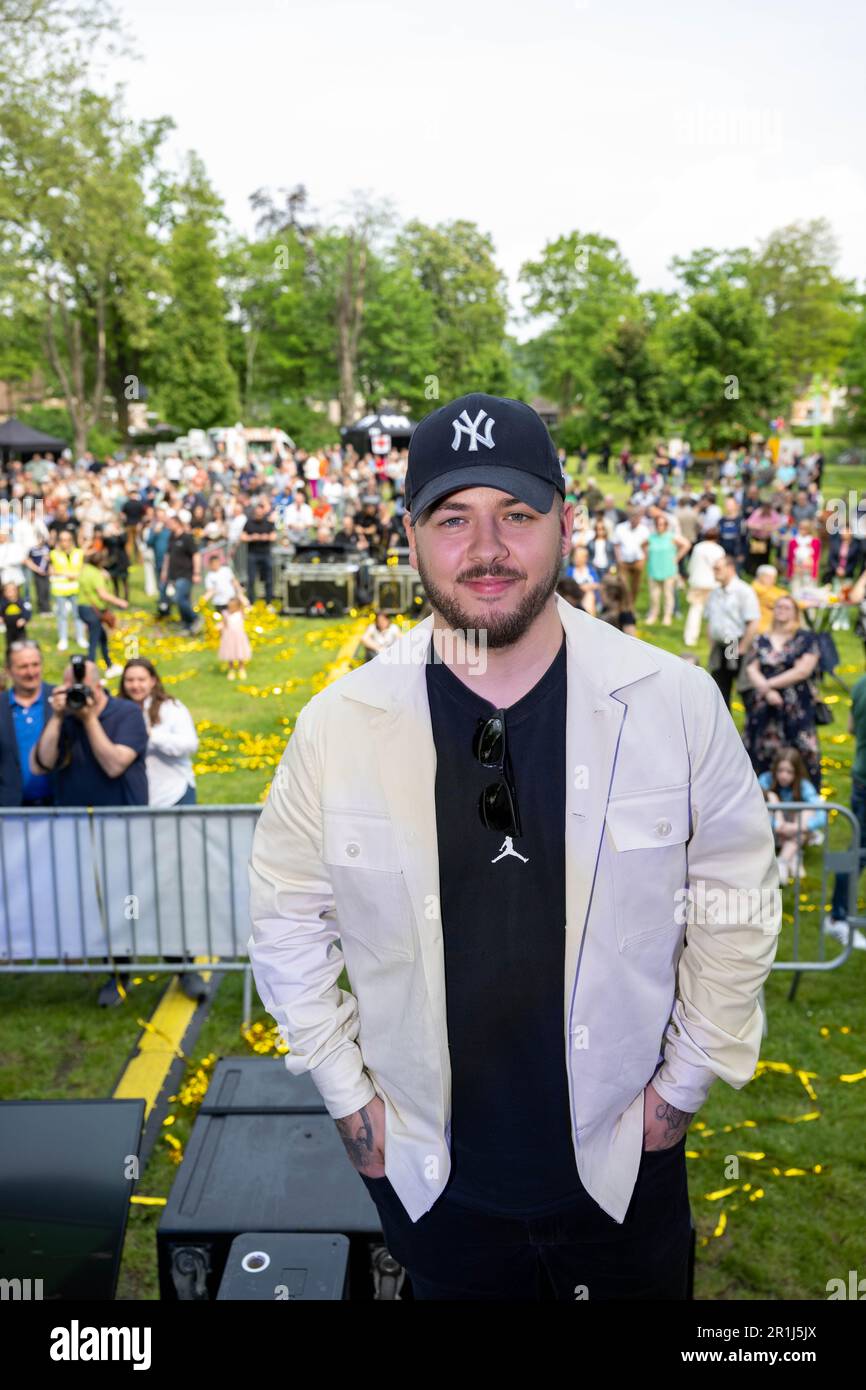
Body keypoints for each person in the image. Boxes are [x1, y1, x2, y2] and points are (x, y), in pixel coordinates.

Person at [248, 391, 779, 1302]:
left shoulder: (674, 701)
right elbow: (287, 919)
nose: (486, 549)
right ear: (410, 534)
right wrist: (351, 1102)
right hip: (431, 1176)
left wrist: (681, 1089)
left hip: (623, 1169)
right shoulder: (340, 724)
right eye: (453, 518)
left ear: (563, 525)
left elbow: (736, 896)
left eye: (516, 515)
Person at [30, 658, 149, 1007]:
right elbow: (41, 765)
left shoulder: (126, 714)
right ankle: (117, 974)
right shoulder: (62, 718)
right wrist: (56, 717)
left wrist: (89, 720)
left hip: (125, 828)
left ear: (98, 687)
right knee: (101, 907)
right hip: (78, 832)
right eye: (68, 689)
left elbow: (114, 764)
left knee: (139, 902)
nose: (76, 696)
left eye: (81, 689)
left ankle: (180, 966)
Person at [118, 657, 208, 1001]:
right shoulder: (119, 711)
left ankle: (185, 965)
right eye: (130, 680)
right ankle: (121, 967)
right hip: (137, 807)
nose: (136, 686)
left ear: (153, 680)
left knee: (176, 887)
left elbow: (189, 744)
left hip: (173, 800)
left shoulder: (171, 708)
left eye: (141, 679)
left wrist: (150, 735)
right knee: (135, 888)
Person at [742, 594, 822, 788]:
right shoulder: (761, 639)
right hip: (764, 705)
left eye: (787, 608)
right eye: (778, 607)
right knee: (760, 749)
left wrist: (769, 685)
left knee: (803, 750)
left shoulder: (805, 638)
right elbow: (751, 667)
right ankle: (763, 797)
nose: (782, 611)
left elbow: (802, 670)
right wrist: (766, 691)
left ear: (795, 613)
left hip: (796, 705)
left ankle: (804, 799)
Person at [824, 670, 866, 949]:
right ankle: (838, 916)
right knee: (857, 852)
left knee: (857, 848)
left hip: (860, 777)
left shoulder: (861, 682)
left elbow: (850, 727)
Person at [758, 748, 827, 886]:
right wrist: (778, 825)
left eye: (789, 772)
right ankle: (793, 856)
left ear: (796, 772)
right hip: (772, 829)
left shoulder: (803, 785)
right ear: (774, 769)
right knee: (771, 799)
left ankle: (782, 861)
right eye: (780, 770)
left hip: (794, 829)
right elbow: (756, 811)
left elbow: (821, 813)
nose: (784, 776)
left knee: (807, 811)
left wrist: (798, 826)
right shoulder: (765, 780)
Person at [0, 640, 54, 806]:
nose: (31, 672)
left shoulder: (60, 701)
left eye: (35, 664)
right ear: (9, 670)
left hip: (58, 809)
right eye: (23, 667)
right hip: (10, 811)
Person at [704, 554, 760, 708]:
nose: (714, 572)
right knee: (720, 689)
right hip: (720, 645)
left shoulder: (743, 591)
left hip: (734, 643)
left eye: (718, 568)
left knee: (743, 686)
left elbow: (753, 621)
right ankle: (724, 729)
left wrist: (742, 648)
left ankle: (751, 727)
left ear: (730, 568)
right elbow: (710, 620)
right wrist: (712, 644)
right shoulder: (715, 593)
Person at [76, 548, 127, 677]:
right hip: (92, 610)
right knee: (93, 643)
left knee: (102, 638)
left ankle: (109, 665)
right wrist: (119, 601)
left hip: (83, 608)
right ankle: (89, 674)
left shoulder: (85, 569)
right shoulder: (95, 574)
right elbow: (103, 594)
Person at [642, 515, 690, 626]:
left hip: (669, 570)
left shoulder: (671, 537)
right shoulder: (651, 537)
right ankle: (653, 614)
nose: (660, 526)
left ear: (666, 526)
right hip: (654, 569)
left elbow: (686, 544)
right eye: (658, 524)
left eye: (662, 524)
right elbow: (642, 545)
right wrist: (647, 556)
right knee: (654, 595)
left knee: (668, 595)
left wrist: (677, 557)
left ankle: (667, 616)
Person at [162, 510, 202, 635]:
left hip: (185, 574)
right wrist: (164, 571)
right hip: (173, 575)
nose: (168, 525)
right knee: (179, 600)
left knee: (179, 598)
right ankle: (187, 624)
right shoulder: (171, 537)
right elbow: (168, 556)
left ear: (177, 523)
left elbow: (196, 555)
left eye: (170, 523)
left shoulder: (187, 538)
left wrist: (196, 573)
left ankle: (195, 618)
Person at [683, 527, 725, 648]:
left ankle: (690, 638)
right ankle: (716, 638)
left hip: (698, 582)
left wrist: (690, 576)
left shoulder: (698, 547)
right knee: (714, 612)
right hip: (713, 583)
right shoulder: (719, 550)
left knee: (695, 609)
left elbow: (692, 564)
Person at [49, 528, 87, 651]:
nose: (65, 542)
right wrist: (68, 574)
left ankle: (80, 637)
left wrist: (75, 574)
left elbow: (82, 568)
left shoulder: (78, 552)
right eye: (62, 540)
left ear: (71, 541)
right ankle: (63, 638)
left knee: (78, 614)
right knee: (62, 615)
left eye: (67, 540)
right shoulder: (54, 553)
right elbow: (52, 571)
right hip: (60, 589)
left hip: (76, 588)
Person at [243, 499, 278, 606]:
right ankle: (251, 602)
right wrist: (252, 537)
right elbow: (243, 536)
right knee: (251, 579)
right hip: (252, 554)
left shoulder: (268, 523)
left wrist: (264, 537)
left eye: (260, 511)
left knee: (268, 579)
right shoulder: (249, 523)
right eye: (256, 511)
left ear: (263, 512)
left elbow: (273, 536)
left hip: (265, 554)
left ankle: (268, 602)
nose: (258, 513)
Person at [218, 593, 252, 680]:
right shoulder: (225, 614)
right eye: (229, 607)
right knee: (230, 654)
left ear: (237, 607)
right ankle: (231, 669)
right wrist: (220, 629)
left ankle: (241, 669)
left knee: (240, 653)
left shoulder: (241, 613)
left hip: (239, 638)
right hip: (229, 638)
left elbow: (247, 606)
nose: (231, 609)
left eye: (233, 607)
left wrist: (241, 596)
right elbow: (224, 624)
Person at [752, 564, 788, 634]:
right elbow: (783, 600)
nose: (773, 580)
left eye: (774, 578)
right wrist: (807, 603)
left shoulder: (769, 588)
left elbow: (783, 594)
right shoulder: (757, 589)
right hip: (761, 629)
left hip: (771, 627)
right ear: (760, 577)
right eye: (769, 577)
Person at [1, 582, 32, 660]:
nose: (9, 593)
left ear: (17, 591)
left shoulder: (21, 602)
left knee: (22, 645)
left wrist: (24, 619)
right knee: (10, 646)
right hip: (9, 629)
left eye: (11, 591)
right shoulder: (3, 603)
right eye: (7, 591)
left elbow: (27, 612)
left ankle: (23, 659)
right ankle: (10, 661)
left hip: (20, 630)